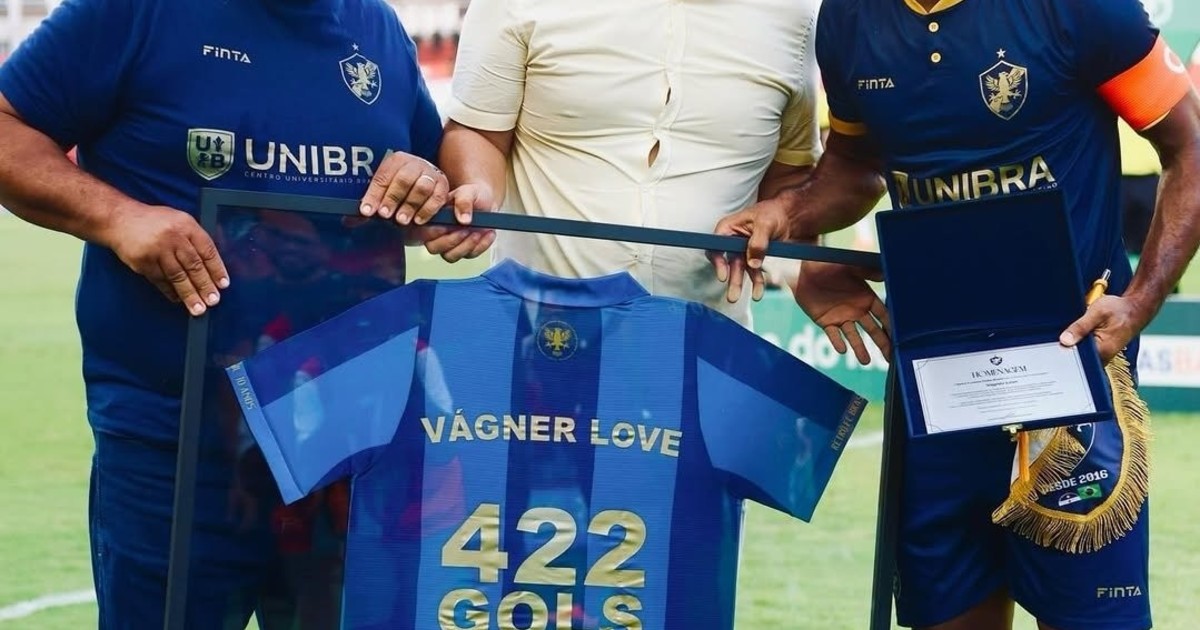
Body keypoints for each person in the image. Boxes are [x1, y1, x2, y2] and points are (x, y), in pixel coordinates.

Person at [711, 1, 1200, 629]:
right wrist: (790, 215)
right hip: (935, 376)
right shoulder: (849, 17)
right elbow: (856, 168)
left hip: (1069, 368)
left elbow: (1189, 146)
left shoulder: (1079, 6)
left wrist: (1140, 302)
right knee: (947, 614)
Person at [0, 0, 452, 626]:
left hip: (344, 444)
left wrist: (425, 181)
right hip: (177, 444)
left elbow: (423, 196)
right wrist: (119, 218)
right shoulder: (135, 12)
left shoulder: (375, 26)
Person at [402, 0, 824, 326]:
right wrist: (477, 187)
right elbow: (478, 131)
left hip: (709, 343)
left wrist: (797, 247)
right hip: (540, 338)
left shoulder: (794, 20)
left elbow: (791, 174)